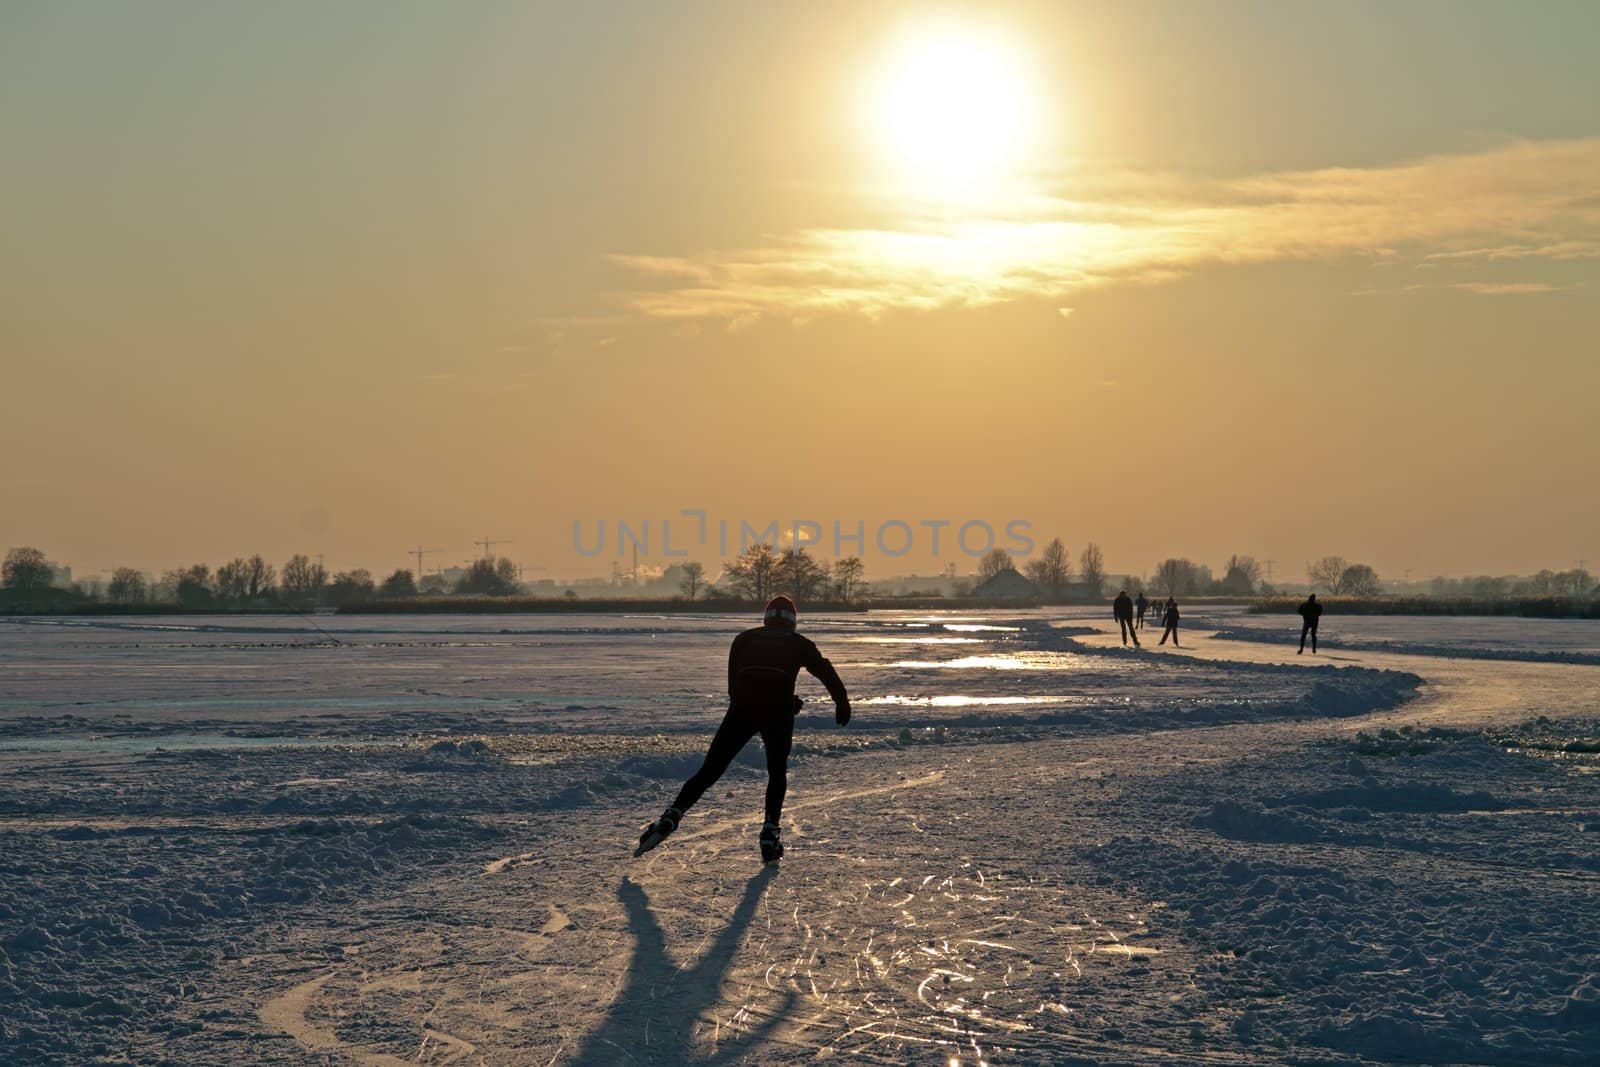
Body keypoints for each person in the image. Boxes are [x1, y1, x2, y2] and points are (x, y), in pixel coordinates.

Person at [635, 595, 852, 863]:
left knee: (709, 771)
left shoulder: (744, 639)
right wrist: (840, 702)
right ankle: (770, 831)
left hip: (741, 711)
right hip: (776, 714)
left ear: (766, 618)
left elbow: (734, 687)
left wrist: (770, 701)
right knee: (776, 772)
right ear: (793, 621)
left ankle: (673, 814)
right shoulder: (799, 644)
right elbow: (826, 671)